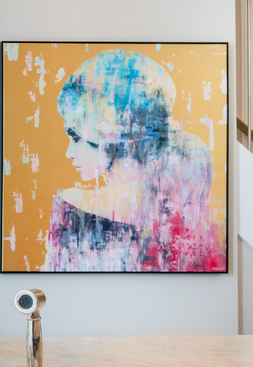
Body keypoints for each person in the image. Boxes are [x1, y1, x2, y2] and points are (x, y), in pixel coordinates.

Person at [43, 49, 225, 273]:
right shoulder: (185, 215)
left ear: (108, 133)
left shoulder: (72, 206)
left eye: (76, 137)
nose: (69, 153)